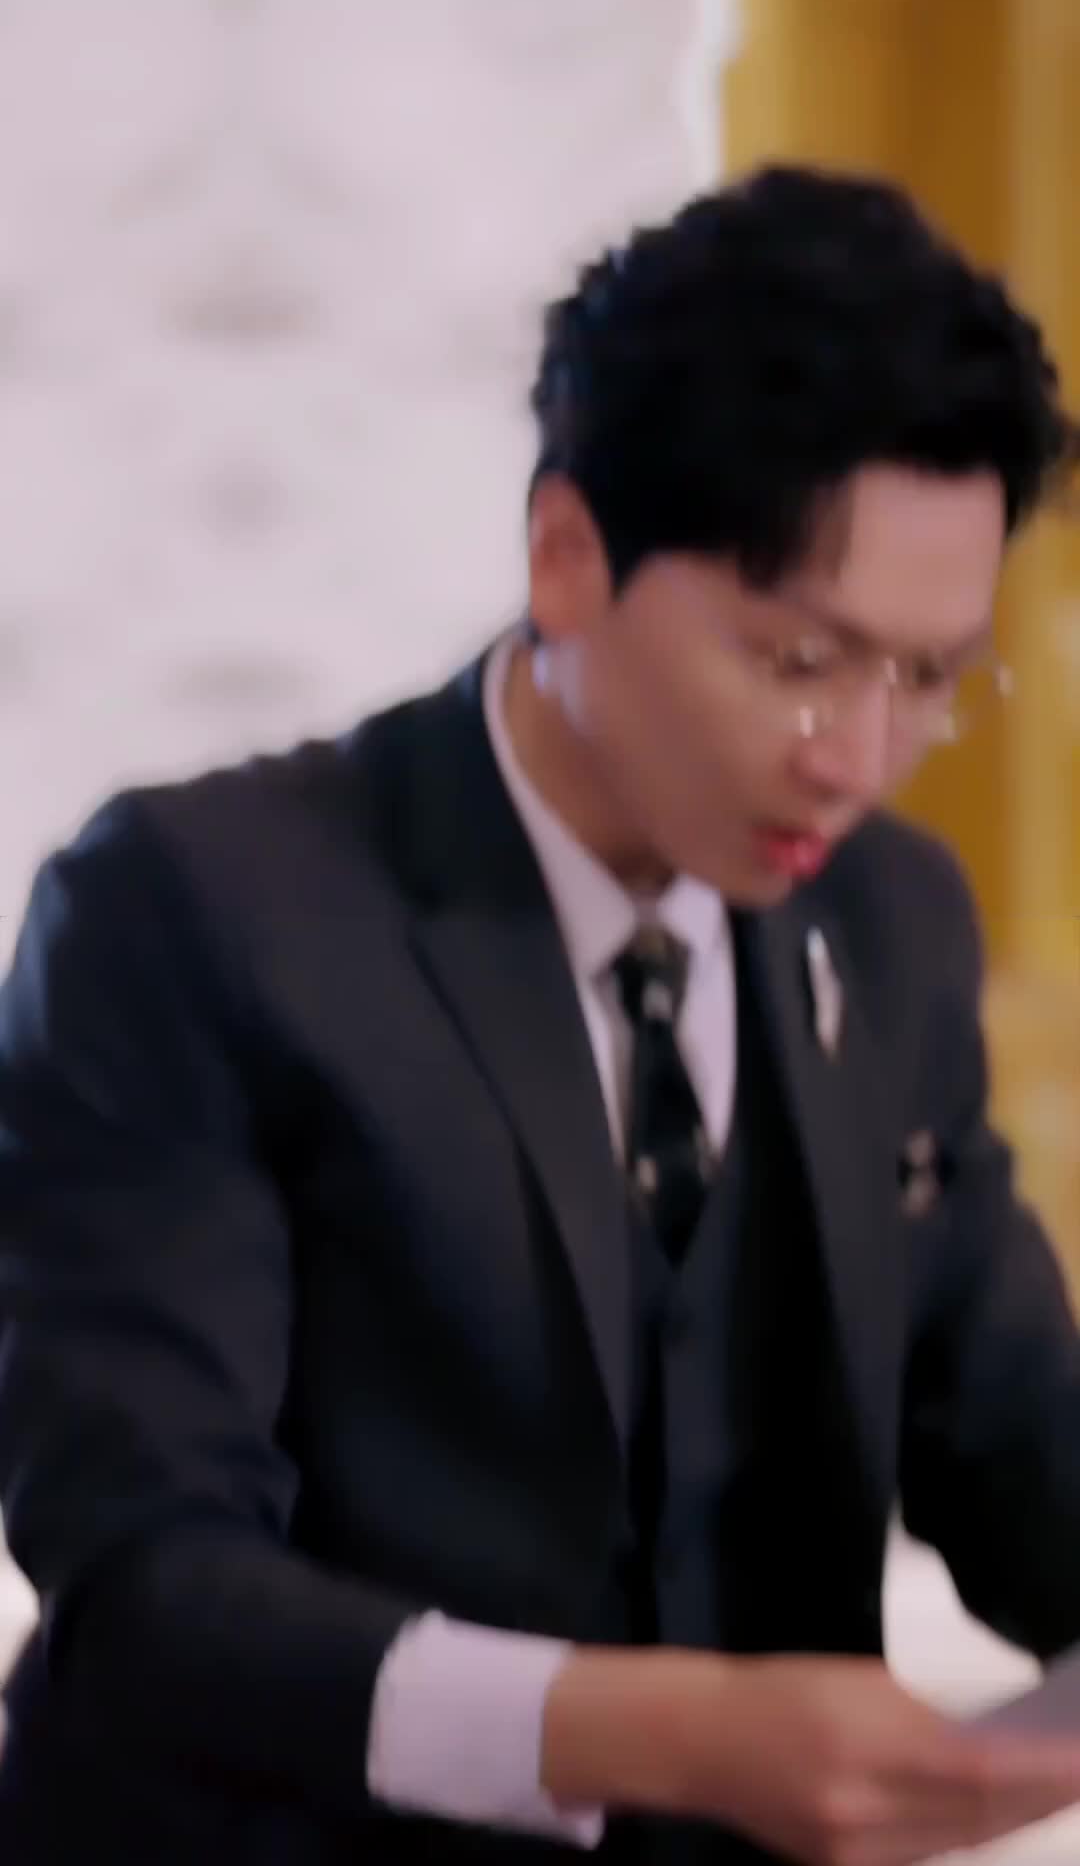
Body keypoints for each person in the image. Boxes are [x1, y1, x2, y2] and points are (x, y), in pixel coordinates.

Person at [0, 163, 1079, 1866]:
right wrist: (648, 1734)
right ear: (568, 557)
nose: (862, 760)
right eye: (799, 664)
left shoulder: (892, 920)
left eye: (931, 677)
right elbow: (145, 1579)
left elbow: (1016, 1443)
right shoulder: (191, 908)